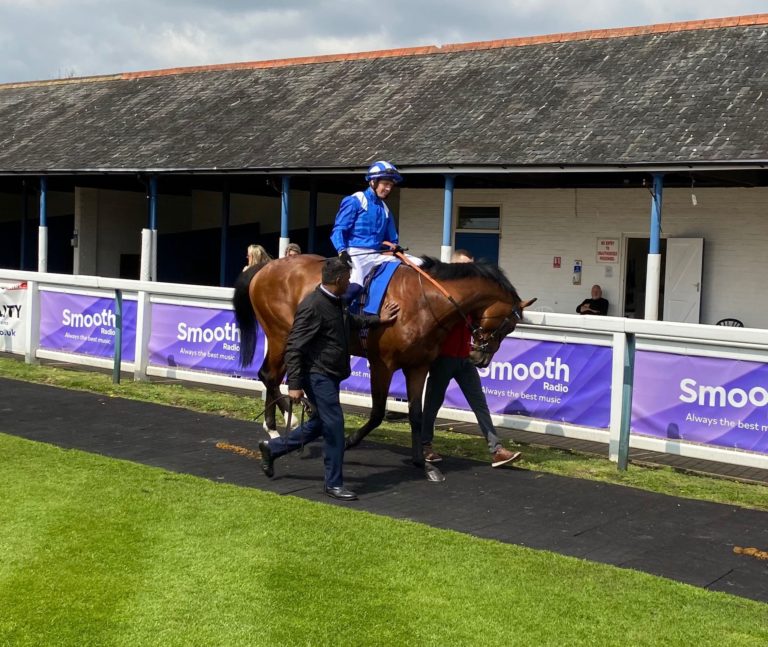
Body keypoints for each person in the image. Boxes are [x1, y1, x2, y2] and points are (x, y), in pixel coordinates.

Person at [258, 256, 400, 500]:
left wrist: (379, 320)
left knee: (320, 424)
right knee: (335, 427)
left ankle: (273, 448)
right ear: (337, 280)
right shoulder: (312, 306)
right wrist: (294, 385)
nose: (351, 282)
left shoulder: (338, 301)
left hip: (331, 374)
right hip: (317, 375)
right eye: (347, 279)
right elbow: (294, 346)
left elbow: (350, 321)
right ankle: (333, 483)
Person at [420, 250, 522, 468]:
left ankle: (496, 450)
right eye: (465, 267)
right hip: (444, 358)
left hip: (465, 358)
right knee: (432, 404)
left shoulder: (474, 300)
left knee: (479, 404)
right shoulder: (445, 297)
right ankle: (424, 445)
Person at [330, 160, 420, 301]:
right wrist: (341, 250)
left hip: (376, 255)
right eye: (385, 184)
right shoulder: (355, 200)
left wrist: (393, 247)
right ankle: (339, 314)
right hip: (355, 253)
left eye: (391, 185)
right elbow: (339, 230)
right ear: (373, 182)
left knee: (417, 263)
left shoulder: (385, 209)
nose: (388, 188)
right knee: (356, 285)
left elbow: (391, 240)